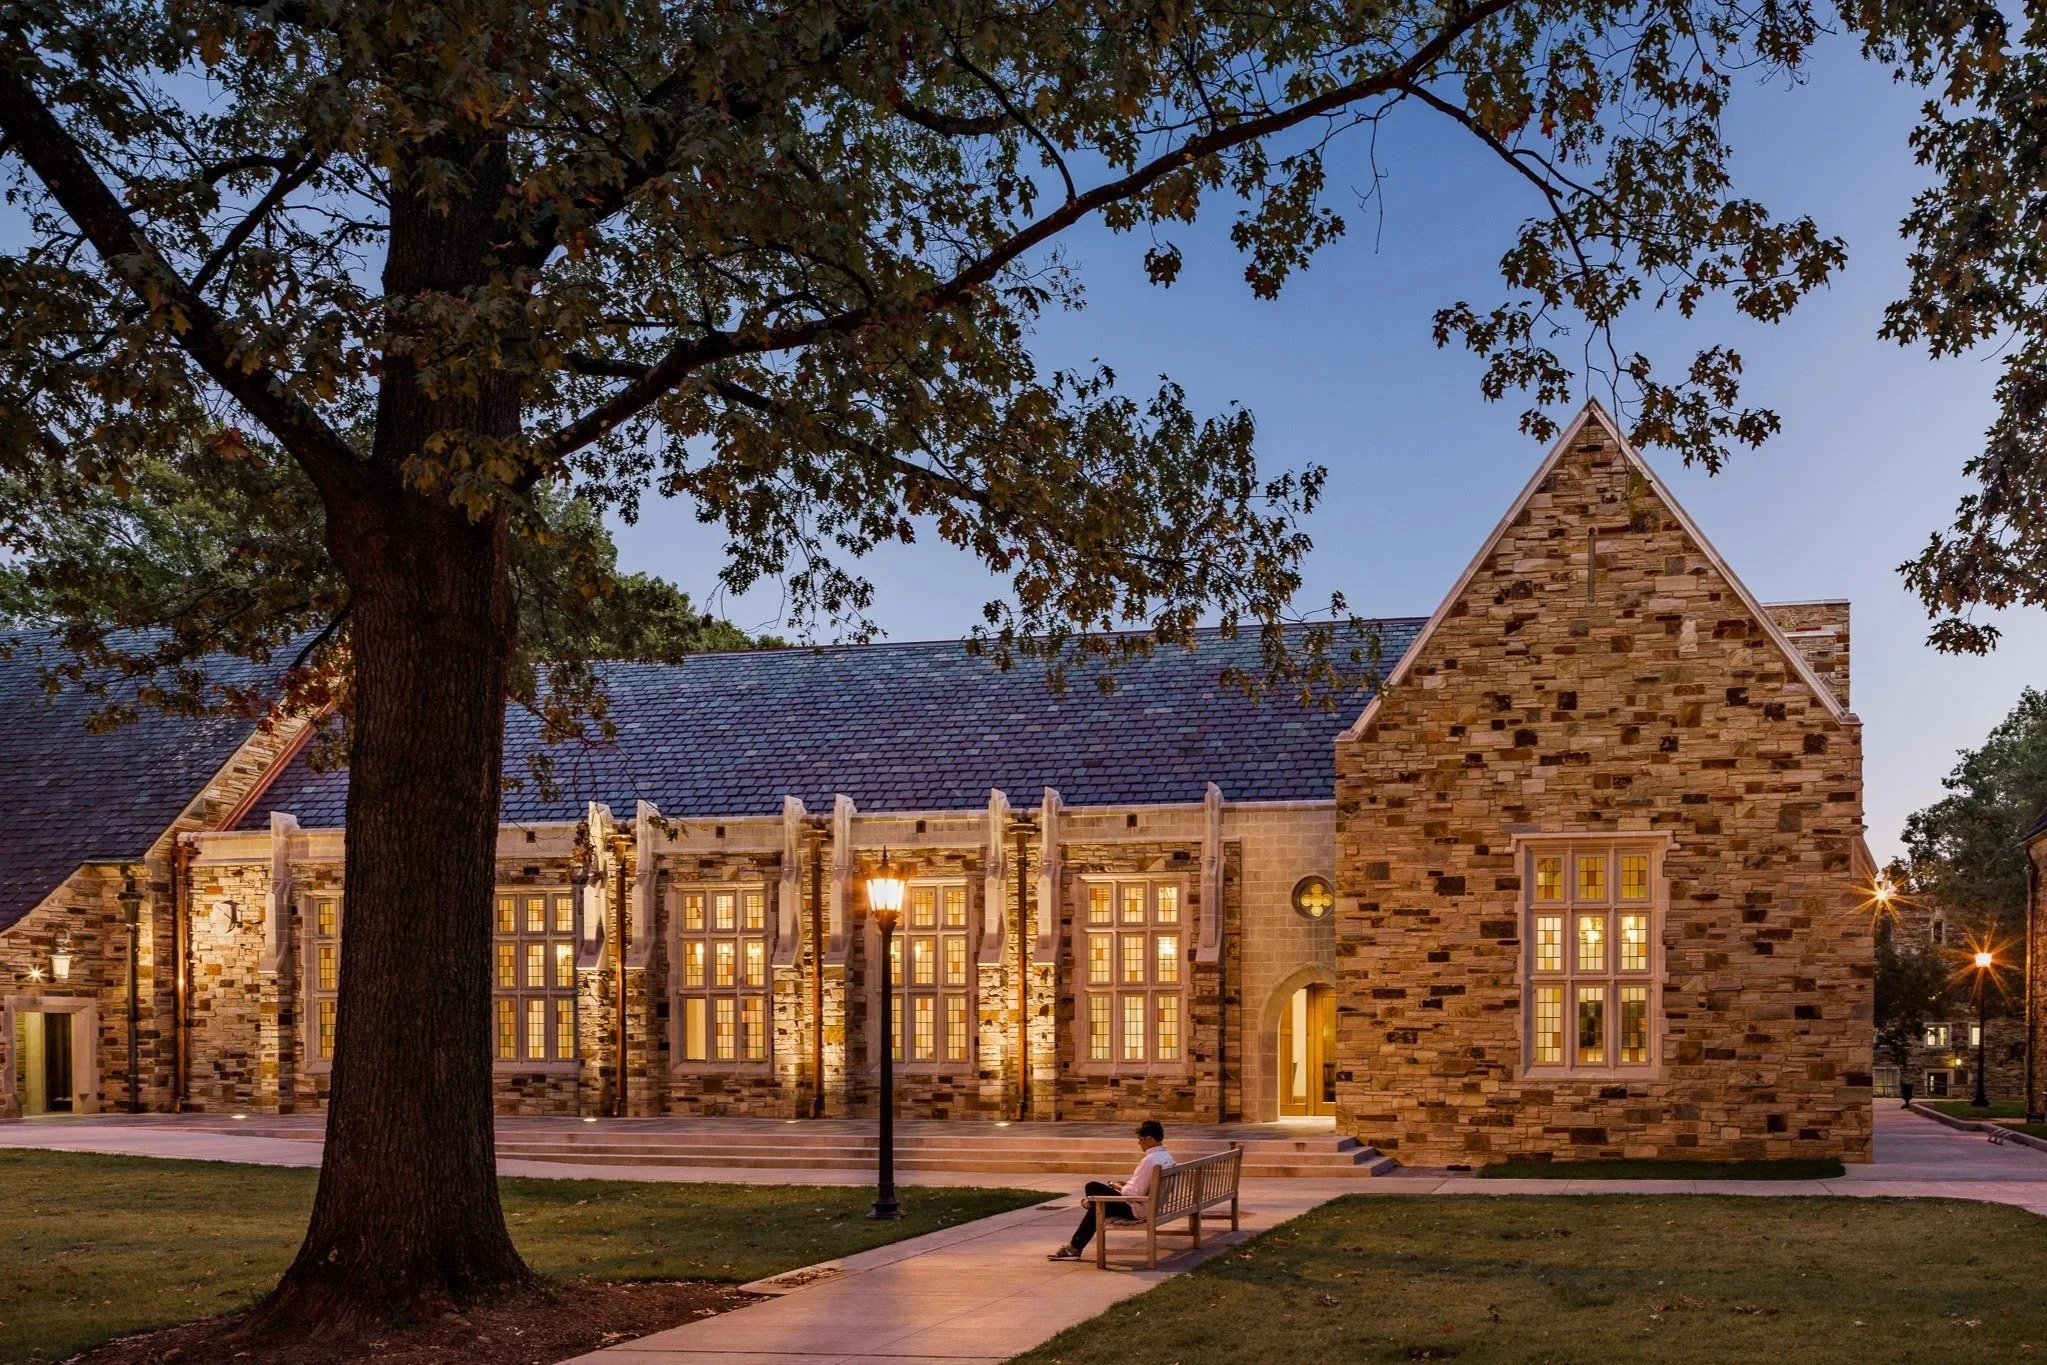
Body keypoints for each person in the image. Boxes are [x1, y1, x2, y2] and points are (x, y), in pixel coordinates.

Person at [1048, 1118, 1173, 1260]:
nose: (1139, 1143)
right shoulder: (1166, 1157)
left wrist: (1119, 1186)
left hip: (1138, 1209)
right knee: (1099, 1206)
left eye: (1140, 1139)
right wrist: (1124, 1185)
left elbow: (1133, 1193)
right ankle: (1074, 1246)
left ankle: (1089, 1205)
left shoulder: (1150, 1160)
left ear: (1149, 1139)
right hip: (1152, 1205)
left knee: (1092, 1187)